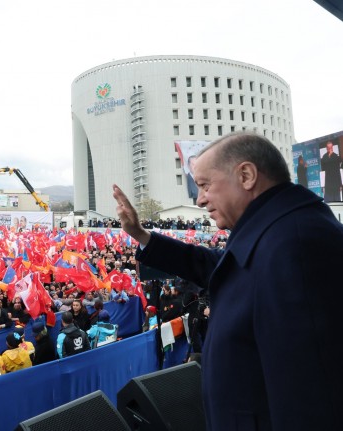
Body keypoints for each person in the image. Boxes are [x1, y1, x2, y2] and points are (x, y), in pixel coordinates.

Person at [112, 131, 343, 430]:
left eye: (206, 185)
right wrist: (142, 236)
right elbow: (219, 266)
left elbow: (313, 397)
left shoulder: (297, 246)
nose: (200, 199)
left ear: (246, 175)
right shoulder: (275, 232)